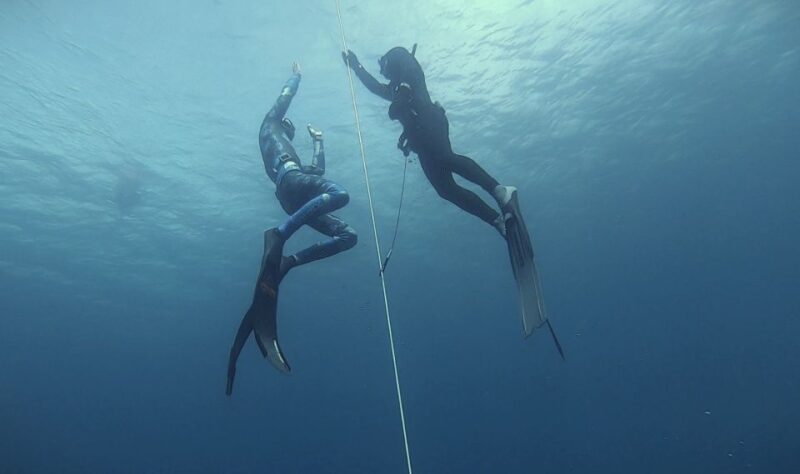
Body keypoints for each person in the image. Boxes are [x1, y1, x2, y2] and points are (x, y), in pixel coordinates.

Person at [226, 62, 357, 396]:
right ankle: (280, 234)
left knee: (347, 236)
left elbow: (318, 169)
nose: (290, 128)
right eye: (290, 127)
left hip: (292, 192)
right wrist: (296, 75)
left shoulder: (281, 144)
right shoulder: (270, 124)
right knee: (340, 194)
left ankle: (289, 260)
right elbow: (284, 98)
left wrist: (319, 141)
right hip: (291, 184)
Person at [342, 47, 515, 237]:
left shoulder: (409, 70)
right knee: (444, 188)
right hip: (419, 138)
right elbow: (375, 87)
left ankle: (498, 190)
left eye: (382, 64)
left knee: (445, 158)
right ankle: (495, 220)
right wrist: (356, 67)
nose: (381, 70)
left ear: (391, 61)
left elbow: (407, 63)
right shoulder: (395, 87)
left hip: (431, 121)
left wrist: (404, 91)